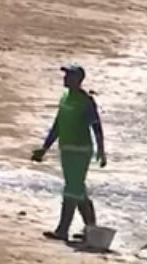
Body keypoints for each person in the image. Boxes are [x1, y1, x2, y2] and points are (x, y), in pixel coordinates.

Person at [31, 64, 106, 242]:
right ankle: (91, 229)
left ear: (77, 80)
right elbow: (57, 125)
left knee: (71, 188)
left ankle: (63, 229)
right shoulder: (65, 97)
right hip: (66, 148)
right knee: (77, 188)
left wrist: (101, 150)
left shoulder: (85, 101)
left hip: (81, 150)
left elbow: (96, 126)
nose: (64, 79)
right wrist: (45, 147)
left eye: (68, 76)